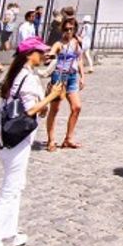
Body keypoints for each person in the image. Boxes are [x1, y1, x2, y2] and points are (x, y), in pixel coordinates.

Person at [0, 36, 65, 246]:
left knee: (17, 186)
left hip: (8, 137)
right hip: (16, 141)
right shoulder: (27, 78)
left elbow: (35, 109)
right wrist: (51, 96)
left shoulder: (18, 74)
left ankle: (9, 234)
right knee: (9, 191)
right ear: (30, 54)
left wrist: (45, 100)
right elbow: (29, 110)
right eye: (40, 51)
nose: (45, 55)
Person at [45, 16, 86, 151]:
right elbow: (52, 52)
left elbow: (79, 59)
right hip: (59, 77)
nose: (69, 31)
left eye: (71, 29)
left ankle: (68, 139)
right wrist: (50, 55)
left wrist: (82, 76)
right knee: (55, 109)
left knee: (76, 107)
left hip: (73, 76)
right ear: (62, 29)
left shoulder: (77, 42)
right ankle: (51, 140)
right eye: (67, 29)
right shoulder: (59, 44)